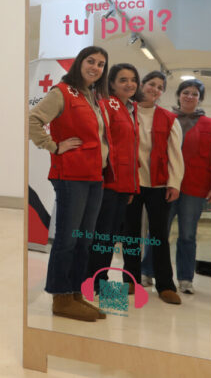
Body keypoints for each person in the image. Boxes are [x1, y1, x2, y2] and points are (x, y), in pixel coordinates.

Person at [28, 45, 109, 322]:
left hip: (94, 177)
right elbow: (32, 120)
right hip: (71, 177)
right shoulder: (62, 92)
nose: (95, 67)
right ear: (79, 63)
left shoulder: (92, 97)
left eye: (100, 64)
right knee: (67, 239)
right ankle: (61, 298)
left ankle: (75, 294)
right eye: (91, 61)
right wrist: (53, 146)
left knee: (84, 241)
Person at [142, 78, 211, 294]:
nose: (189, 96)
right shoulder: (165, 118)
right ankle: (147, 271)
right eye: (186, 92)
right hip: (165, 184)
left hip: (196, 188)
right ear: (178, 95)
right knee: (158, 231)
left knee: (188, 235)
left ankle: (185, 279)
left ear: (200, 98)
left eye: (194, 94)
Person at [122, 70, 184, 304]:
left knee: (158, 235)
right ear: (142, 85)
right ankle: (130, 279)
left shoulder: (169, 118)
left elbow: (175, 154)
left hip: (158, 185)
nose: (155, 89)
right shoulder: (125, 112)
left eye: (160, 87)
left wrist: (174, 183)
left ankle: (165, 284)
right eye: (151, 84)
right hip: (130, 183)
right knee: (130, 233)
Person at [86, 64, 141, 290]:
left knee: (110, 237)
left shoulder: (131, 108)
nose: (129, 84)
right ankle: (94, 281)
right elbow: (104, 144)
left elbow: (131, 150)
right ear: (111, 84)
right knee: (102, 236)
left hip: (123, 184)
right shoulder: (106, 105)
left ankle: (101, 278)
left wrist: (131, 187)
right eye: (123, 80)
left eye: (133, 79)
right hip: (108, 181)